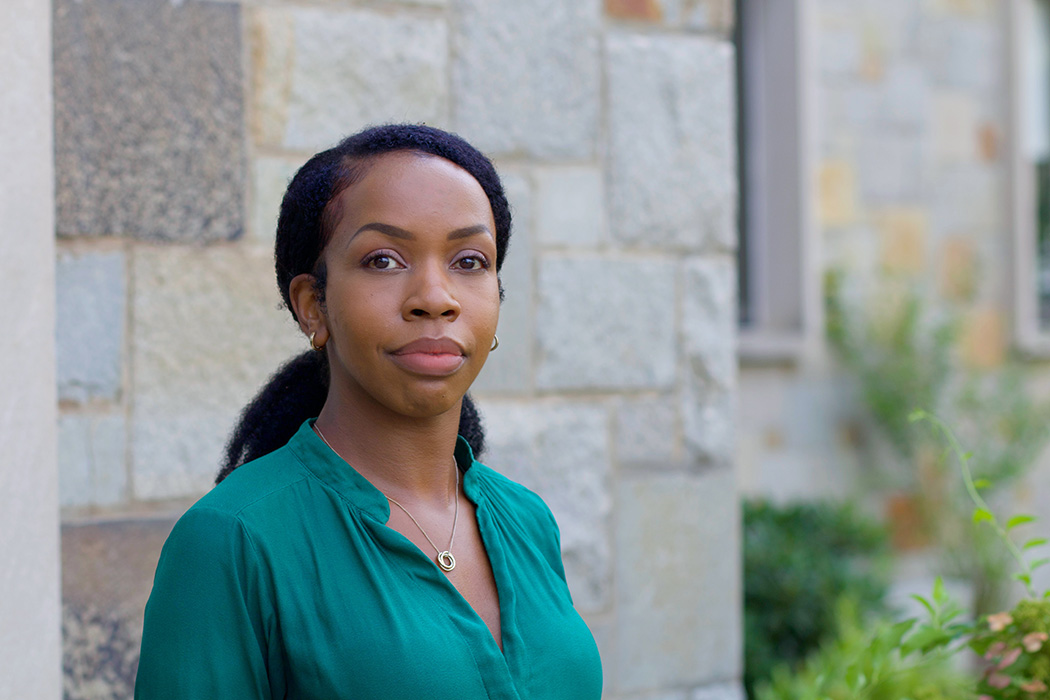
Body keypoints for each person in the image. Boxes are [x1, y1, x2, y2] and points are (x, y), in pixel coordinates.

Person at [134, 124, 603, 699]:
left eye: (470, 260)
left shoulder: (527, 520)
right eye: (383, 260)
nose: (436, 296)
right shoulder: (232, 541)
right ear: (313, 305)